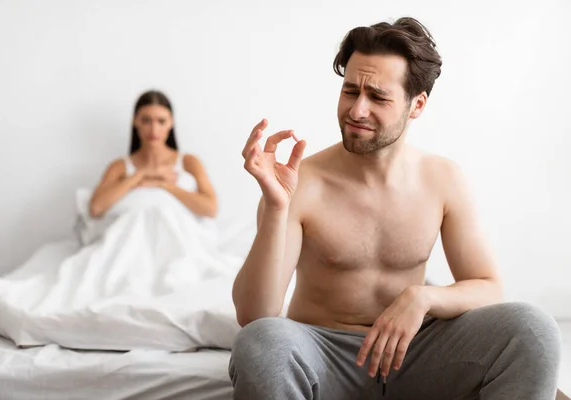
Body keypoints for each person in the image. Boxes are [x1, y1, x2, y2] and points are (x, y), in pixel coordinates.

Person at [230, 17, 561, 399]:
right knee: (260, 342)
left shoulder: (442, 179)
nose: (357, 110)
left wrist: (423, 297)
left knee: (533, 328)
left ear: (417, 104)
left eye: (378, 97)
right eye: (350, 91)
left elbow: (488, 287)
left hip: (416, 355)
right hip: (323, 353)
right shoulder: (301, 181)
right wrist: (275, 207)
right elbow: (254, 315)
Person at [89, 90, 217, 219]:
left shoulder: (188, 162)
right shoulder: (120, 166)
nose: (154, 129)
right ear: (135, 121)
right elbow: (96, 208)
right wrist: (139, 176)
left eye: (161, 121)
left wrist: (163, 185)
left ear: (171, 122)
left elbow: (211, 209)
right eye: (146, 121)